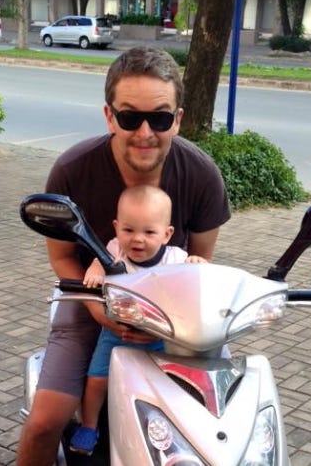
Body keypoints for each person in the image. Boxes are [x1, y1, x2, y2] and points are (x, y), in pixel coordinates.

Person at [16, 46, 231, 466]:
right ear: (109, 116)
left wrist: (162, 322)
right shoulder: (73, 170)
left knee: (215, 416)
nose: (145, 132)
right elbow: (62, 257)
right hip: (89, 297)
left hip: (171, 310)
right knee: (45, 422)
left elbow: (200, 264)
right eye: (130, 117)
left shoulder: (202, 175)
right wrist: (102, 312)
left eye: (160, 118)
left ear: (178, 119)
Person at [69, 184, 207, 456]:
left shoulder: (176, 258)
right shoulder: (114, 250)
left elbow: (194, 281)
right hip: (116, 332)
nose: (138, 239)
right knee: (97, 379)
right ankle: (89, 425)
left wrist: (197, 263)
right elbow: (98, 263)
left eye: (149, 232)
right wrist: (95, 271)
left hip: (162, 336)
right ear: (116, 227)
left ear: (167, 234)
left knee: (173, 381)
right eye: (129, 230)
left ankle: (179, 427)